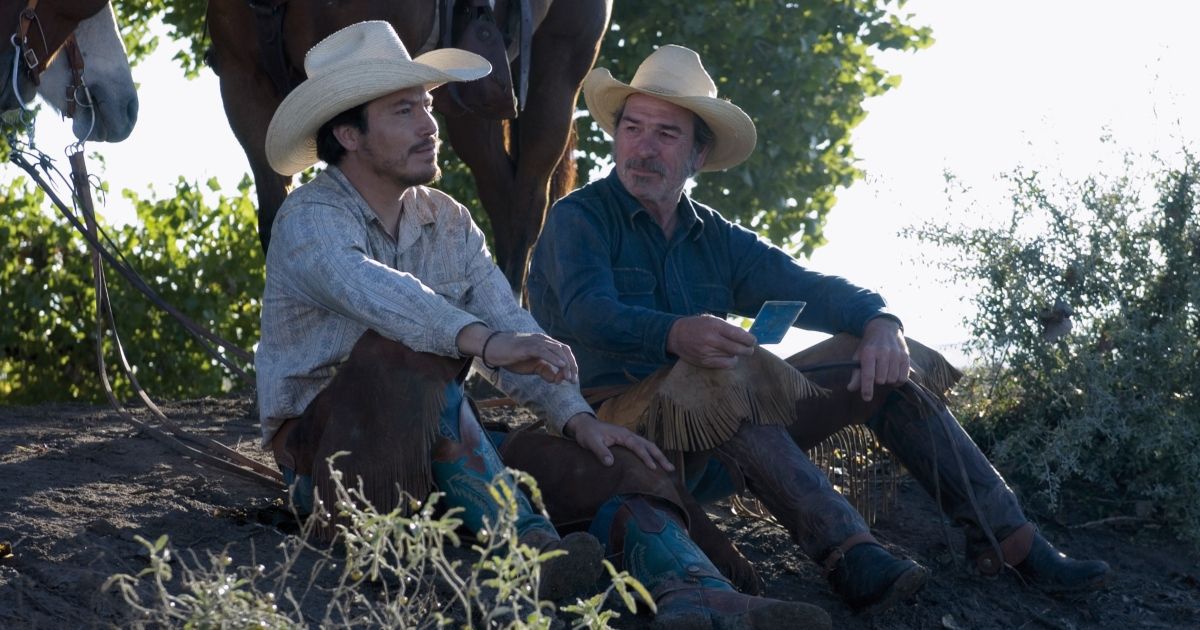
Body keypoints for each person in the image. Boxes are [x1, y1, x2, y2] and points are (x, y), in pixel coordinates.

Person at [255, 22, 831, 628]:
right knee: (407, 354)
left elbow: (509, 320)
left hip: (449, 448)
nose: (430, 126)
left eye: (427, 107)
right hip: (332, 462)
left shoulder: (447, 220)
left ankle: (698, 594)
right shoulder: (310, 217)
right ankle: (529, 546)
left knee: (609, 464)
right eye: (405, 111)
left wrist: (576, 417)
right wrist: (482, 341)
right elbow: (378, 294)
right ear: (349, 133)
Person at [527, 44, 1112, 613]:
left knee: (872, 358)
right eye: (633, 128)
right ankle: (850, 556)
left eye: (666, 134)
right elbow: (586, 312)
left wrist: (882, 320)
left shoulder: (717, 235)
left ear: (698, 156)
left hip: (717, 433)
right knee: (722, 375)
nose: (643, 149)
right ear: (615, 133)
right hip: (613, 424)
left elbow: (812, 288)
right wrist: (675, 333)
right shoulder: (578, 217)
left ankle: (1009, 537)